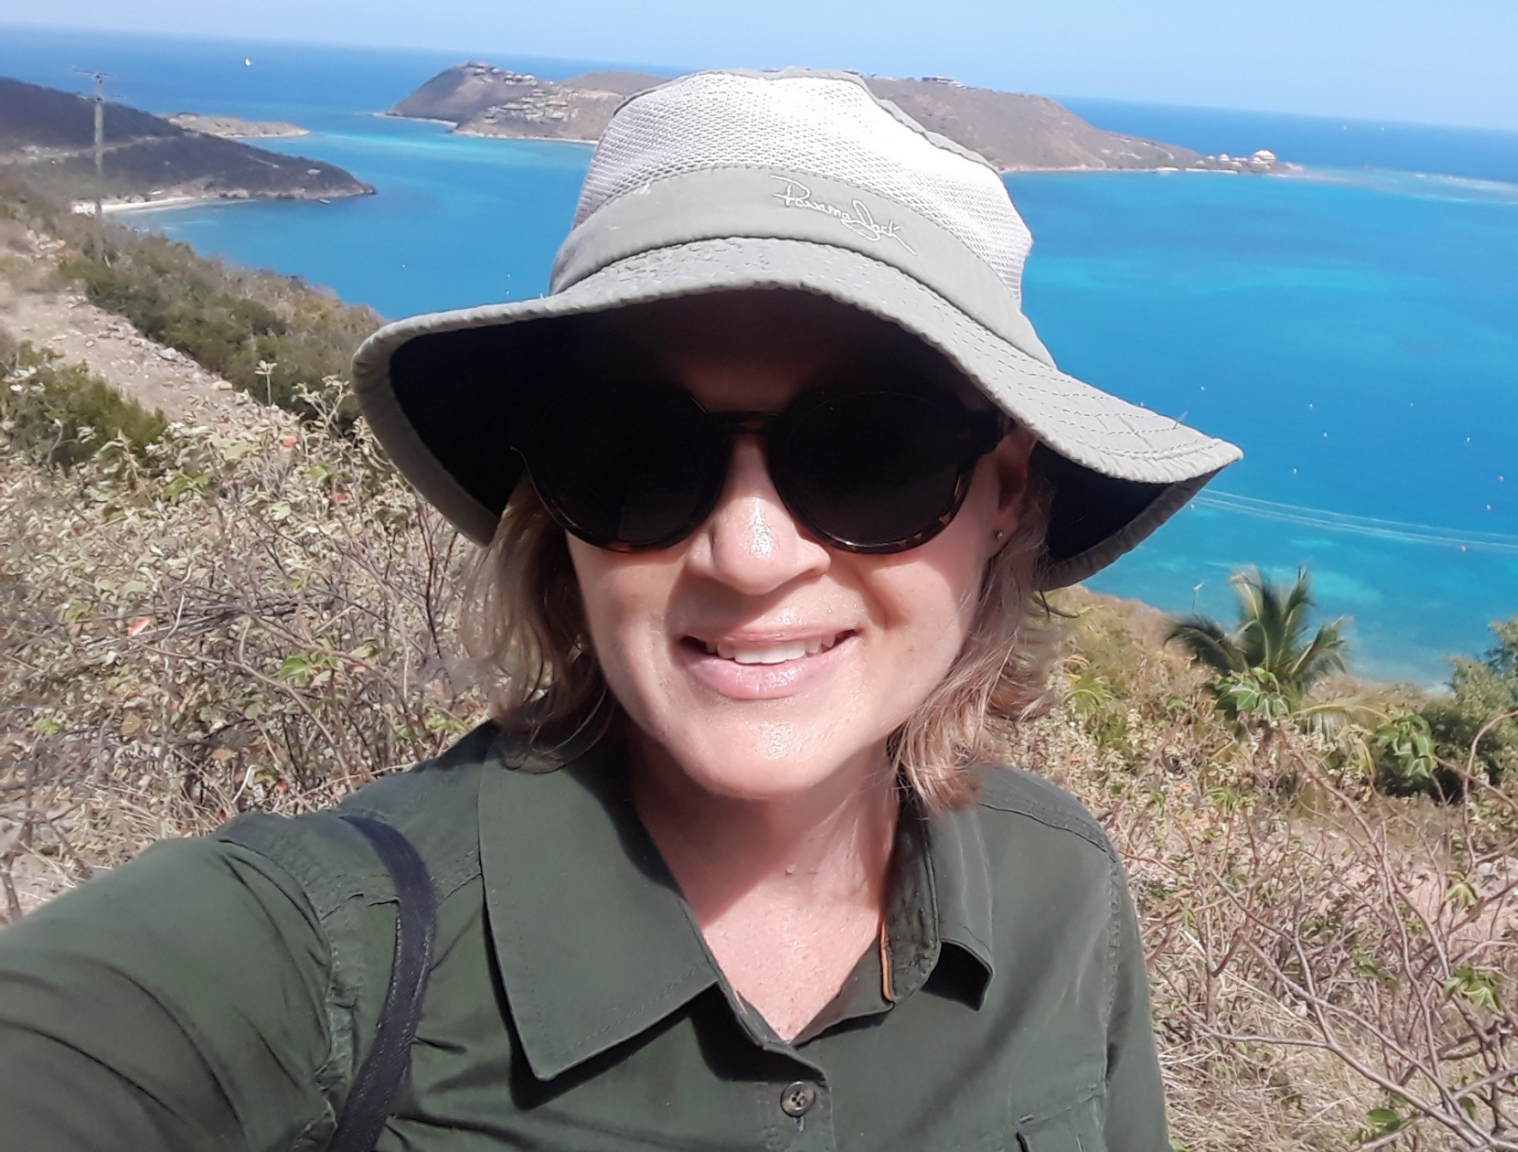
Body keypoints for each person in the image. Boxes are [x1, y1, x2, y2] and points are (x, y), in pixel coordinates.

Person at [0, 69, 1238, 1150]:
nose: (749, 555)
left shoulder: (1054, 890)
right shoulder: (322, 955)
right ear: (556, 502)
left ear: (1006, 499)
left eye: (873, 455)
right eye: (634, 451)